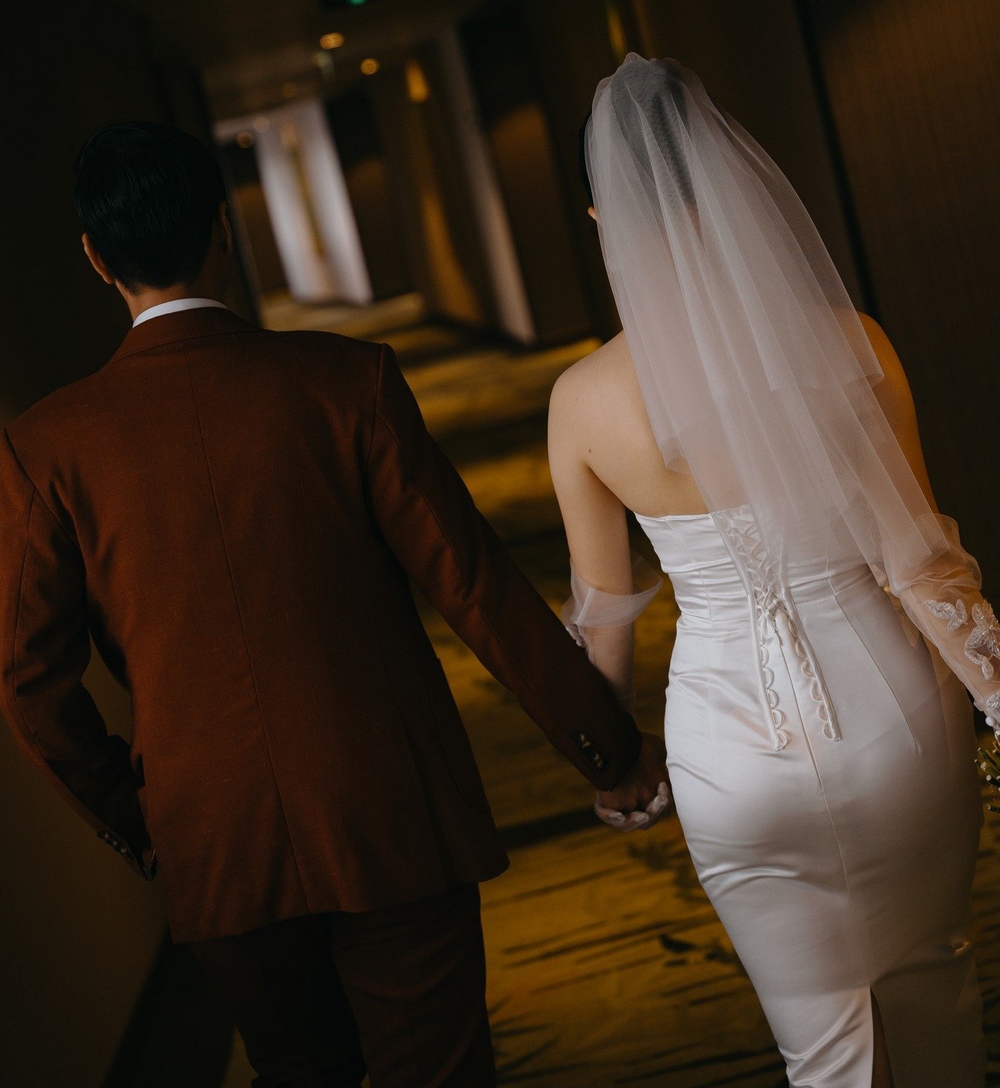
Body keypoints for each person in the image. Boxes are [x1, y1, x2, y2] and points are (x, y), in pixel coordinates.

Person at [0, 120, 668, 1088]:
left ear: (96, 258)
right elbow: (472, 585)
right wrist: (605, 748)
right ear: (223, 231)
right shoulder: (347, 381)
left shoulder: (45, 448)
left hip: (214, 838)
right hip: (389, 810)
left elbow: (30, 687)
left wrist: (144, 817)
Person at [548, 55, 994, 1088]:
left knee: (820, 1047)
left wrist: (614, 762)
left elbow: (605, 616)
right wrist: (996, 687)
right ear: (735, 194)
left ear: (605, 221)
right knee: (936, 981)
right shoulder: (851, 346)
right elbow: (919, 562)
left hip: (728, 754)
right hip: (897, 722)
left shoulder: (582, 400)